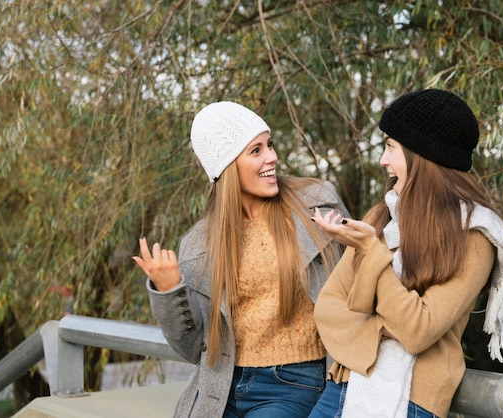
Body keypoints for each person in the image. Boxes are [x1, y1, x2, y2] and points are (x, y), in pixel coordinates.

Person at [308, 89, 503, 418]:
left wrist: (372, 253)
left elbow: (416, 330)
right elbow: (328, 309)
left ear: (422, 156)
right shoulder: (381, 218)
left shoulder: (474, 236)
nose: (383, 160)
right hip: (343, 386)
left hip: (413, 400)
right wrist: (384, 327)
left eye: (390, 146)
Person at [133, 101, 350, 418]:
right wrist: (170, 291)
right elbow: (193, 348)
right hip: (222, 388)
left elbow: (358, 281)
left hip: (296, 383)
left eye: (269, 145)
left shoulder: (315, 203)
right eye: (256, 150)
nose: (272, 157)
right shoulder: (199, 244)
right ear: (226, 167)